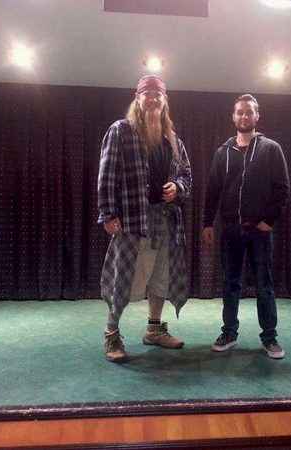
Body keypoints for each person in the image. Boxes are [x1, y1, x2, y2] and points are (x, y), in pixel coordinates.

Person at [98, 75, 192, 363]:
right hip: (132, 219)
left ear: (165, 100)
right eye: (147, 93)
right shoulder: (121, 130)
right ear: (137, 98)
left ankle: (154, 329)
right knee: (124, 276)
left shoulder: (173, 139)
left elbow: (186, 174)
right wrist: (108, 213)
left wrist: (178, 188)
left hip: (165, 218)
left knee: (161, 275)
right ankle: (112, 333)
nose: (152, 98)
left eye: (157, 94)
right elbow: (107, 174)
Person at [202, 94, 290, 359]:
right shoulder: (222, 152)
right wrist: (207, 223)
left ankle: (270, 338)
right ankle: (229, 333)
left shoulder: (271, 149)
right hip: (230, 231)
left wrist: (269, 221)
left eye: (249, 112)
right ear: (233, 116)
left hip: (259, 231)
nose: (244, 116)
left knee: (264, 284)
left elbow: (282, 189)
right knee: (230, 283)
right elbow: (213, 190)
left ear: (257, 116)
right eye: (239, 112)